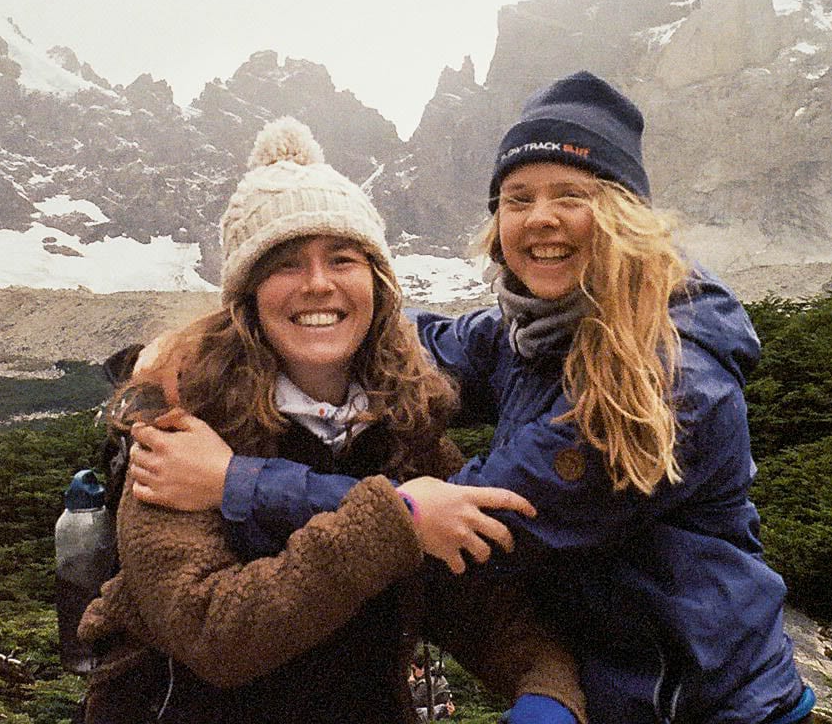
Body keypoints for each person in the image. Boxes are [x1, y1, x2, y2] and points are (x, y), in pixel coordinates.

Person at [133, 73, 815, 724]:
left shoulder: (667, 380)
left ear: (623, 214)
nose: (540, 219)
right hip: (619, 691)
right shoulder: (534, 330)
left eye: (570, 195)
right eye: (518, 199)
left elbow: (466, 523)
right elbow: (403, 338)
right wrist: (207, 336)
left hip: (700, 702)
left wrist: (236, 481)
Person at [76, 116, 586, 724]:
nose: (319, 285)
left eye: (343, 259)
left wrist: (548, 689)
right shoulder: (180, 425)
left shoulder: (403, 426)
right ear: (246, 296)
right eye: (286, 264)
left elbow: (482, 607)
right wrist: (394, 522)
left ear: (377, 284)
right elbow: (213, 631)